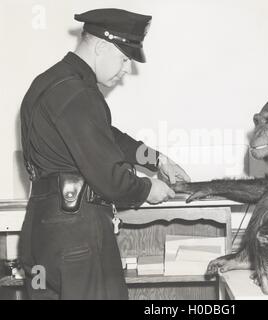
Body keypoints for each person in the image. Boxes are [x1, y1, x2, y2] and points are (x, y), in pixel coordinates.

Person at [19, 8, 190, 300]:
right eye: (124, 59)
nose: (126, 71)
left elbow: (108, 136)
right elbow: (110, 178)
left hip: (41, 235)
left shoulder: (49, 83)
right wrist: (147, 188)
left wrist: (157, 160)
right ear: (100, 46)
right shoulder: (78, 93)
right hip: (78, 241)